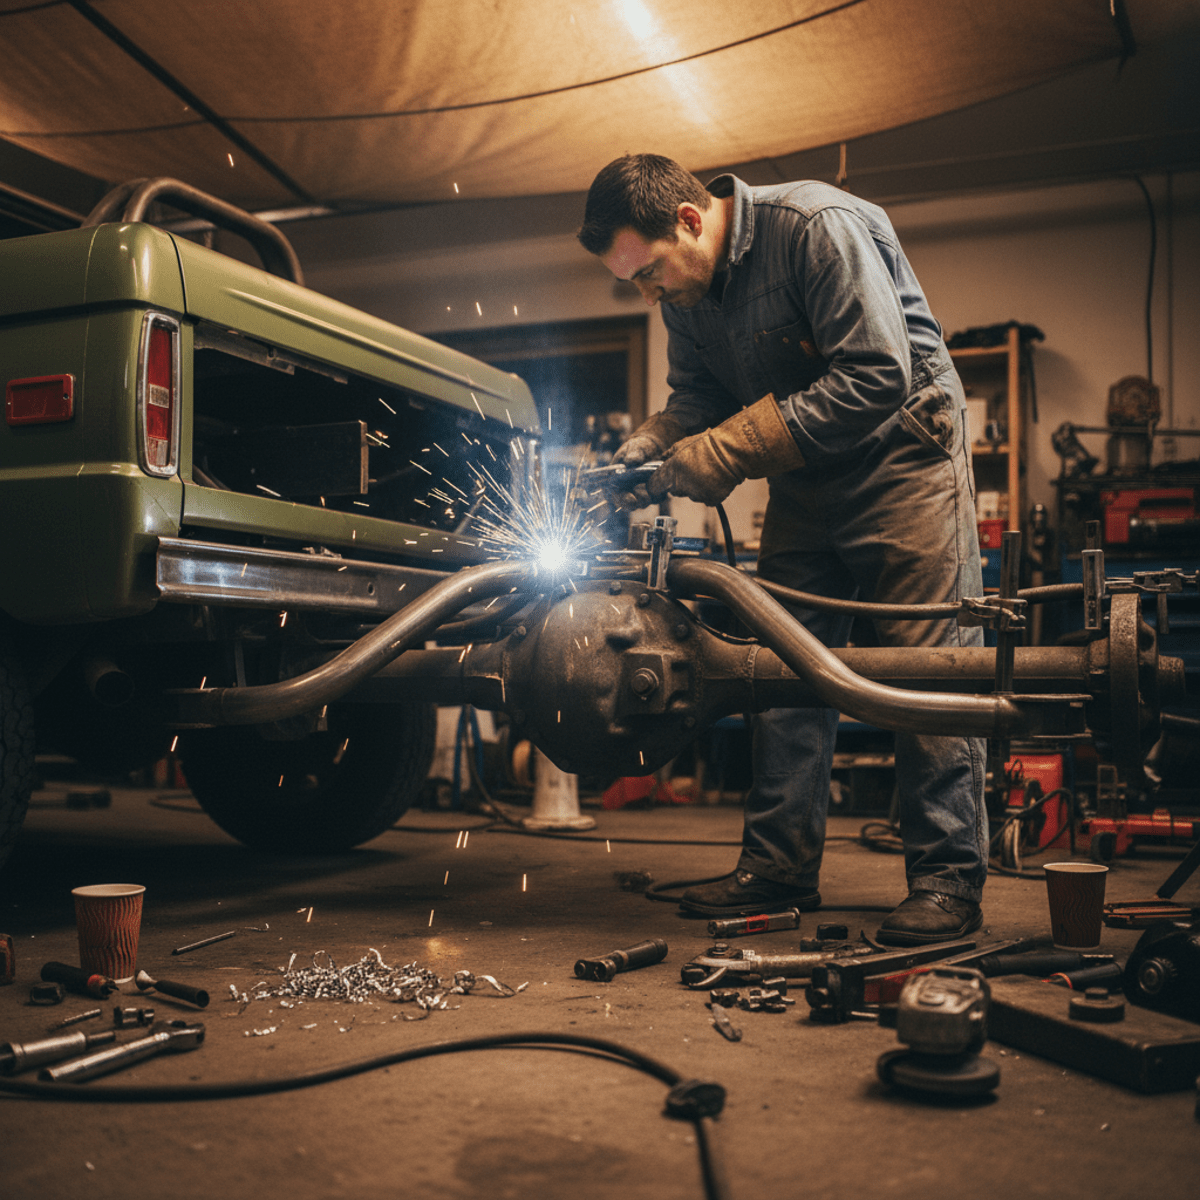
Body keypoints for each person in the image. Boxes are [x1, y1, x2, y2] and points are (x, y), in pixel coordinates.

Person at [577, 154, 987, 946]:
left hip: (903, 460)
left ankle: (946, 879)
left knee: (928, 668)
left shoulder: (816, 227)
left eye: (649, 273)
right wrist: (655, 441)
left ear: (691, 221)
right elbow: (701, 398)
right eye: (632, 283)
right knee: (781, 672)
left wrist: (726, 451)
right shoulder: (685, 292)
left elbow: (876, 373)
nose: (648, 294)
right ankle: (779, 867)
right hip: (807, 482)